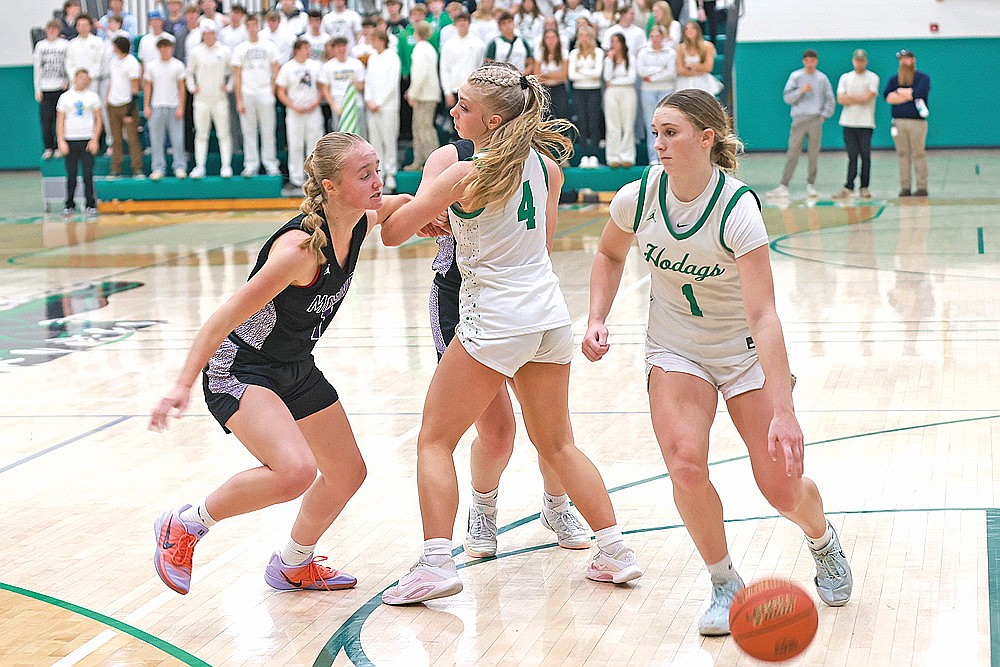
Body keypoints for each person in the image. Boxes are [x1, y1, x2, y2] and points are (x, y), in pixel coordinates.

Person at [583, 88, 853, 636]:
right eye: (655, 132)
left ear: (706, 138)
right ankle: (723, 580)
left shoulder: (737, 209)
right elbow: (610, 253)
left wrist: (784, 409)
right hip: (675, 348)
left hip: (743, 353)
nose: (658, 143)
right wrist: (596, 316)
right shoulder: (636, 198)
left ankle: (822, 539)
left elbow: (765, 318)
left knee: (780, 487)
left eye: (671, 132)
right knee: (685, 463)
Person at [378, 63, 643, 606]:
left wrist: (432, 211)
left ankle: (434, 563)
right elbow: (541, 242)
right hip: (548, 315)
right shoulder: (546, 165)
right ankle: (615, 550)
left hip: (493, 319)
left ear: (493, 120)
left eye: (464, 107)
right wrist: (453, 217)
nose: (454, 112)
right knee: (559, 443)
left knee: (434, 439)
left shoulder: (464, 174)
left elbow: (391, 233)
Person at [149, 131, 410, 597]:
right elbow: (223, 317)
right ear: (330, 187)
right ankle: (186, 524)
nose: (377, 181)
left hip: (294, 365)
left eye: (377, 169)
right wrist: (181, 385)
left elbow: (400, 203)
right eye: (365, 174)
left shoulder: (357, 220)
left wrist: (428, 217)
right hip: (241, 367)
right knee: (294, 472)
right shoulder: (298, 252)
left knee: (348, 472)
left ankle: (293, 563)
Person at [418, 135, 591, 559]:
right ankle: (483, 509)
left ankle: (556, 506)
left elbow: (543, 245)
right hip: (462, 299)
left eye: (464, 105)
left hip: (522, 303)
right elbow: (420, 219)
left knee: (551, 430)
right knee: (497, 433)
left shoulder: (542, 166)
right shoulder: (449, 159)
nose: (456, 113)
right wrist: (432, 215)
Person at [766, 49, 834, 199]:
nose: (810, 63)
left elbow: (830, 99)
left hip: (815, 119)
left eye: (813, 60)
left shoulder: (822, 78)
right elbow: (788, 98)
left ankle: (811, 184)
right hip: (799, 119)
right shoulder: (796, 77)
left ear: (816, 61)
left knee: (813, 153)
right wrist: (801, 91)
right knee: (793, 152)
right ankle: (784, 185)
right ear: (804, 61)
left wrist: (824, 115)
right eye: (807, 60)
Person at [232, 13, 282, 177]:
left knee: (268, 130)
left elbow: (276, 69)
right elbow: (237, 76)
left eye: (255, 25)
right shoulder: (240, 49)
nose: (252, 28)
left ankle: (270, 163)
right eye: (249, 25)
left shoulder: (269, 46)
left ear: (259, 26)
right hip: (247, 93)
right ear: (246, 28)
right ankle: (251, 164)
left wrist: (272, 92)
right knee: (249, 131)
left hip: (265, 93)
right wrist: (239, 99)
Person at [186, 20, 233, 179]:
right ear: (202, 34)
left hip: (220, 99)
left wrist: (229, 87)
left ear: (215, 33)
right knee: (201, 134)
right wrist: (193, 88)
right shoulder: (196, 52)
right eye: (206, 33)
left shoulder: (225, 51)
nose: (209, 36)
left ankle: (226, 166)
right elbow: (189, 74)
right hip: (201, 100)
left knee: (224, 134)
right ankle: (200, 167)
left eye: (212, 32)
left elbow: (234, 72)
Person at [276, 40, 324, 190]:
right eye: (305, 48)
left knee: (314, 145)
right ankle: (296, 178)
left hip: (313, 111)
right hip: (294, 112)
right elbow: (280, 91)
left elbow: (322, 88)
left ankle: (314, 178)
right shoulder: (288, 67)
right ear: (297, 50)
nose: (308, 51)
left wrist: (315, 102)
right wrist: (292, 105)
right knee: (295, 145)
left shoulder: (315, 66)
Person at [832, 49, 878, 201]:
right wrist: (857, 98)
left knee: (865, 155)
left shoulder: (872, 78)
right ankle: (849, 187)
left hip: (865, 123)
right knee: (852, 155)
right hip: (848, 122)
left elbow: (868, 97)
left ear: (866, 61)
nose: (860, 63)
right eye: (857, 60)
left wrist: (850, 97)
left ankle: (864, 187)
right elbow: (841, 99)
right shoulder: (845, 77)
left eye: (862, 60)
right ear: (853, 61)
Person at [884, 49, 930, 197]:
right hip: (898, 122)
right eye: (902, 60)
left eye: (907, 59)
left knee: (919, 153)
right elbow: (888, 97)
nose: (905, 62)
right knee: (903, 154)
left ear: (913, 60)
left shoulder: (923, 78)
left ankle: (922, 187)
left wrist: (900, 93)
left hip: (917, 122)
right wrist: (908, 94)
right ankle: (905, 187)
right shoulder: (894, 79)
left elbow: (918, 93)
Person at [56, 68, 102, 217]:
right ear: (75, 78)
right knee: (71, 174)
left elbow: (98, 120)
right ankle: (69, 204)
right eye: (82, 77)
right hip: (70, 140)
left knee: (88, 173)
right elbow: (60, 120)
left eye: (86, 78)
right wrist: (61, 141)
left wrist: (95, 139)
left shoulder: (93, 97)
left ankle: (90, 203)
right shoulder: (65, 97)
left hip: (87, 139)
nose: (85, 80)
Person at [144, 38, 188, 180]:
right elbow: (148, 87)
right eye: (161, 47)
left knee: (177, 139)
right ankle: (158, 168)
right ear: (158, 49)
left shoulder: (178, 65)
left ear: (172, 48)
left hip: (174, 105)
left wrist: (181, 106)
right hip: (157, 105)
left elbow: (182, 88)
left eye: (167, 47)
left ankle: (180, 166)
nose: (164, 50)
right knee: (156, 140)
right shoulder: (151, 66)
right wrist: (146, 106)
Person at [363, 30, 401, 192]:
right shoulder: (372, 58)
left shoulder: (392, 57)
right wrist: (369, 100)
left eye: (375, 39)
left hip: (388, 106)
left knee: (389, 139)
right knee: (375, 141)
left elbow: (392, 82)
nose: (373, 43)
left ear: (382, 41)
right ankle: (379, 173)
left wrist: (379, 102)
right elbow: (368, 81)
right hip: (373, 107)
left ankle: (390, 173)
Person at [106, 35, 146, 179]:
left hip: (126, 105)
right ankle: (115, 169)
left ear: (119, 47)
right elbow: (112, 82)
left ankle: (137, 169)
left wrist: (129, 112)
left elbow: (135, 89)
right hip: (113, 105)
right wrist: (108, 98)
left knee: (132, 139)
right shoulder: (113, 62)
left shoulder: (132, 63)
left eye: (114, 46)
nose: (112, 48)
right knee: (116, 140)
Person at [636, 24, 676, 165]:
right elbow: (641, 71)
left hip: (666, 90)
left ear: (662, 37)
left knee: (667, 124)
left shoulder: (670, 52)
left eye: (657, 36)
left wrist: (652, 76)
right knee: (650, 124)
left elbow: (670, 72)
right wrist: (660, 69)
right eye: (652, 36)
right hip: (648, 91)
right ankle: (653, 158)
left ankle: (666, 156)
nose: (655, 39)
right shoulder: (643, 52)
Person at [568, 24, 603, 168]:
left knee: (593, 122)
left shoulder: (598, 52)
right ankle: (583, 156)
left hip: (594, 90)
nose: (583, 39)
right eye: (581, 36)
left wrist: (581, 70)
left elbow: (597, 74)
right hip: (579, 90)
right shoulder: (574, 53)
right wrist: (588, 72)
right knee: (582, 123)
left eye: (586, 36)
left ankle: (594, 155)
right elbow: (572, 75)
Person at [34, 20, 70, 160]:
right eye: (49, 29)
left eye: (54, 29)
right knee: (46, 120)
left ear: (59, 30)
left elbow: (68, 64)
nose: (52, 31)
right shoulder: (40, 46)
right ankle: (49, 147)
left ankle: (60, 146)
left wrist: (67, 81)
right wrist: (38, 89)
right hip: (46, 88)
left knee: (60, 120)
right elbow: (37, 69)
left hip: (61, 87)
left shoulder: (65, 45)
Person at [602, 33, 637, 169]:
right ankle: (613, 156)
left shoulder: (631, 59)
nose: (614, 45)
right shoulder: (608, 60)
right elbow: (607, 77)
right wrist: (610, 60)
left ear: (622, 43)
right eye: (612, 42)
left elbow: (631, 79)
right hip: (611, 93)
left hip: (628, 92)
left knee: (627, 124)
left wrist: (615, 82)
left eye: (617, 41)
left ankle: (627, 156)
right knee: (612, 125)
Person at [674, 20, 720, 96]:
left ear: (697, 30)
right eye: (687, 29)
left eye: (692, 28)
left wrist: (691, 65)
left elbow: (708, 67)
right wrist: (699, 71)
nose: (689, 31)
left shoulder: (708, 46)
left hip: (703, 82)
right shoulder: (680, 48)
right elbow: (680, 69)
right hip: (685, 83)